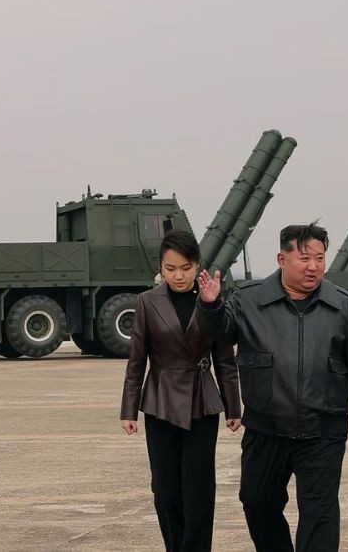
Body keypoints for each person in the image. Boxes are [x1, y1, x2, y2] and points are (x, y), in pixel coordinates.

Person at [197, 222, 348, 552]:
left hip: (323, 429)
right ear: (282, 260)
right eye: (304, 258)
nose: (313, 267)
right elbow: (220, 330)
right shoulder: (248, 300)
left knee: (320, 513)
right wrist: (211, 306)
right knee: (257, 502)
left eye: (319, 258)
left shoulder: (342, 305)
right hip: (266, 428)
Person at [121, 229, 242, 551]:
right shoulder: (147, 302)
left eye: (186, 268)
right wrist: (128, 410)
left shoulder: (212, 300)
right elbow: (137, 360)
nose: (178, 276)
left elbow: (225, 360)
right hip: (160, 402)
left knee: (199, 489)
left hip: (202, 403)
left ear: (197, 265)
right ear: (160, 267)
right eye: (170, 268)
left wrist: (234, 407)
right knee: (165, 491)